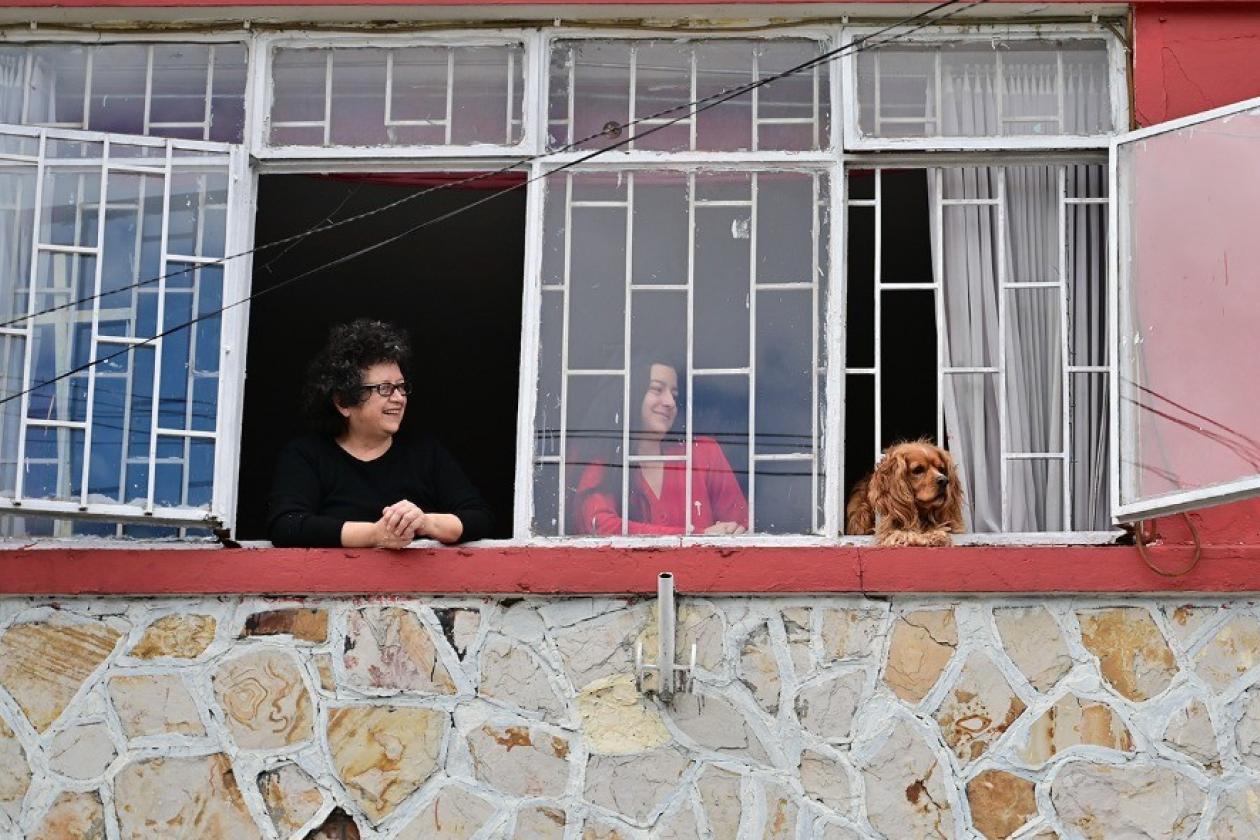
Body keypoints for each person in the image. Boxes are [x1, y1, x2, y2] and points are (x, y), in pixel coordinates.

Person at [267, 319, 492, 547]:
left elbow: (479, 518)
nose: (399, 398)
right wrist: (375, 534)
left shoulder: (426, 452)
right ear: (343, 402)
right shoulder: (307, 455)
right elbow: (287, 526)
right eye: (384, 388)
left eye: (401, 386)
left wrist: (425, 522)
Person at [573, 359, 748, 535]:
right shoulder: (607, 461)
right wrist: (699, 537)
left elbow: (739, 527)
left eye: (674, 394)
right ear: (631, 393)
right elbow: (600, 526)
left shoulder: (703, 453)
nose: (670, 402)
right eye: (657, 389)